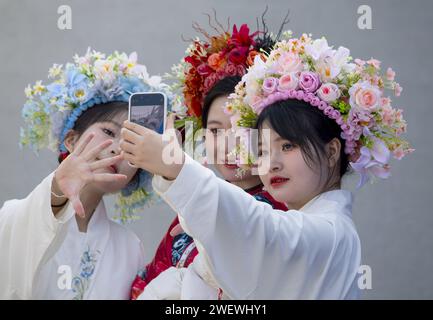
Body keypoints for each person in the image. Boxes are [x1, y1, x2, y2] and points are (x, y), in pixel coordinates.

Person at [120, 33, 413, 299]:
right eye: (261, 150)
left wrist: (178, 169)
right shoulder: (310, 222)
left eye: (288, 146)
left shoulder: (329, 230)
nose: (270, 163)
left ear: (332, 150)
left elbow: (260, 229)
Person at [129, 20, 288, 300]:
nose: (228, 144)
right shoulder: (189, 208)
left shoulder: (282, 209)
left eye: (242, 129)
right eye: (215, 130)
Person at [0, 49, 171, 299]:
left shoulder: (128, 247)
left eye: (130, 144)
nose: (117, 149)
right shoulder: (14, 216)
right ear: (70, 140)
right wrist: (59, 186)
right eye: (109, 132)